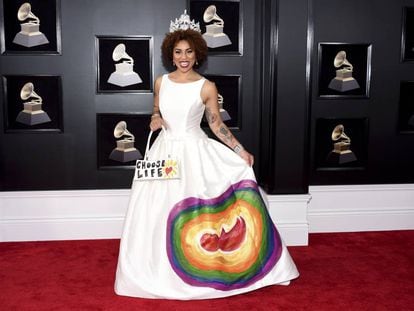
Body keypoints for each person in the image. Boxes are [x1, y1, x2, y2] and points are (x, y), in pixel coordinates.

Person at [114, 11, 299, 300]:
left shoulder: (206, 87)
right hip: (164, 153)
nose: (183, 57)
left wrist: (240, 150)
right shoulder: (161, 82)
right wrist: (154, 119)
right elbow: (156, 109)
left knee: (197, 211)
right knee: (155, 210)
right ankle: (153, 271)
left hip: (194, 152)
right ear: (170, 54)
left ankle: (208, 268)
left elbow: (215, 124)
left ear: (197, 54)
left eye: (189, 51)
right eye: (178, 52)